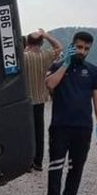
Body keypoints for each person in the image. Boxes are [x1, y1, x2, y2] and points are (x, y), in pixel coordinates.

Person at [42, 31, 97, 195]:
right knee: (56, 165)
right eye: (79, 47)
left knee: (76, 166)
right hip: (60, 125)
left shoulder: (93, 71)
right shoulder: (57, 66)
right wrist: (66, 64)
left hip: (83, 127)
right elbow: (50, 85)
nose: (82, 51)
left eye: (86, 49)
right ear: (72, 46)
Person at [23, 28, 62, 172]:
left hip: (26, 100)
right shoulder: (46, 56)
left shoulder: (23, 57)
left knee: (27, 132)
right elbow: (59, 47)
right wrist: (46, 35)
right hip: (40, 99)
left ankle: (27, 163)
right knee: (39, 132)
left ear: (28, 42)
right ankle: (38, 162)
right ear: (41, 42)